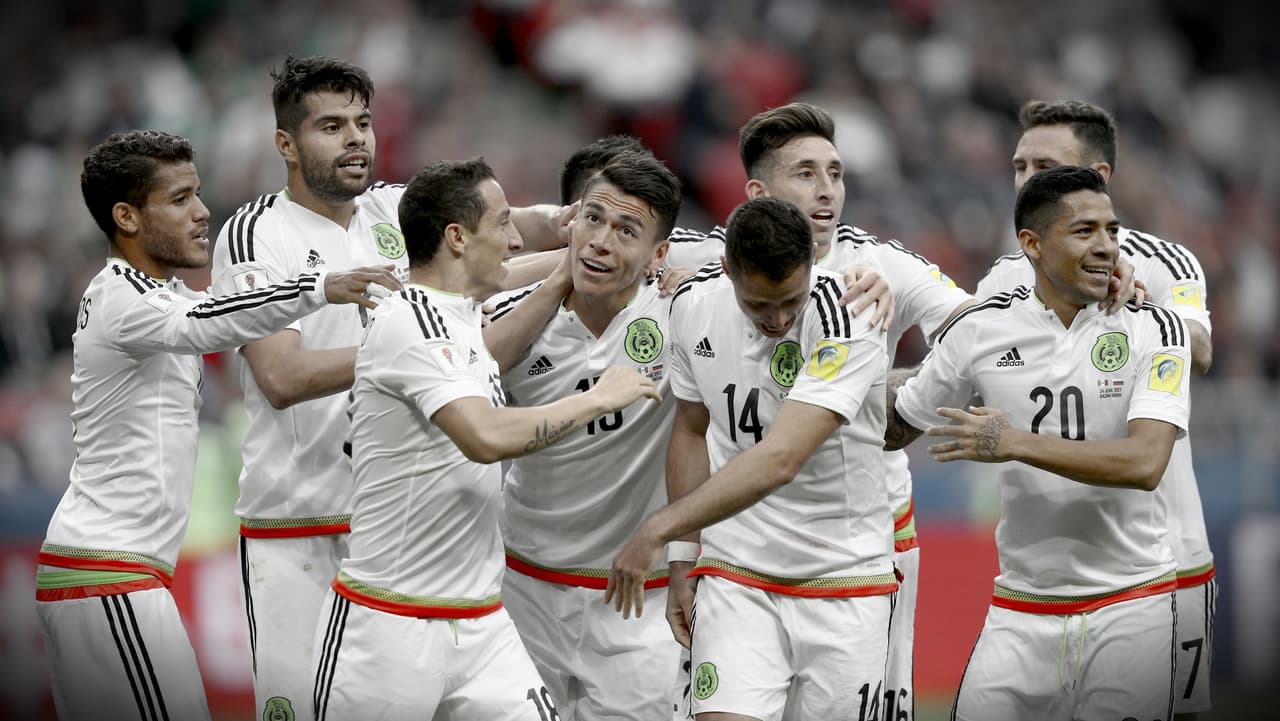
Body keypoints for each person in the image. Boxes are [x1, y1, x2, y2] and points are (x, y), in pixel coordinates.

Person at [37, 130, 398, 721]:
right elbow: (207, 322)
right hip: (107, 575)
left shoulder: (153, 294)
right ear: (127, 217)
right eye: (180, 199)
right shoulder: (123, 299)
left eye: (198, 194)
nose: (203, 212)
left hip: (113, 574)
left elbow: (200, 315)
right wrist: (319, 286)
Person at [661, 102, 982, 720]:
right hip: (740, 548)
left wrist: (909, 403)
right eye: (805, 174)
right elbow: (608, 254)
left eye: (835, 173)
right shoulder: (712, 264)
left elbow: (980, 329)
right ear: (758, 194)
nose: (827, 189)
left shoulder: (879, 267)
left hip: (862, 542)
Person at [312, 158, 659, 720]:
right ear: (457, 238)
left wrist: (590, 270)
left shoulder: (461, 319)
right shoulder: (410, 322)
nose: (516, 240)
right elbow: (484, 437)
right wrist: (597, 398)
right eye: (502, 224)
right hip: (389, 624)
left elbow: (532, 294)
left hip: (481, 622)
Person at [889, 165, 1187, 721]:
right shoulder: (980, 330)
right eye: (1084, 231)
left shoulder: (1154, 327)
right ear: (1032, 243)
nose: (1107, 246)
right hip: (1020, 610)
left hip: (1132, 605)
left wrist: (1014, 442)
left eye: (1111, 230)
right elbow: (899, 422)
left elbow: (1146, 462)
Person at [607, 196, 896, 720]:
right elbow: (691, 429)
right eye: (759, 304)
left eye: (791, 300)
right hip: (735, 571)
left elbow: (782, 457)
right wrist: (682, 557)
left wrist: (657, 529)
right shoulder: (693, 305)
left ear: (812, 265)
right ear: (727, 271)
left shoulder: (851, 314)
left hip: (844, 575)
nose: (778, 318)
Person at [976, 99, 1216, 719]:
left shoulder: (1164, 263)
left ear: (1098, 177)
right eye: (1019, 166)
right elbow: (955, 367)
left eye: (1044, 166)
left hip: (1164, 554)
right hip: (1042, 575)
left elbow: (1200, 352)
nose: (1025, 180)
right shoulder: (1001, 280)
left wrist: (1141, 304)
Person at [485, 150, 683, 720]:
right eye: (593, 219)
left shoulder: (683, 314)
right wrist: (552, 282)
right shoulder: (510, 316)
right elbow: (470, 399)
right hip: (522, 587)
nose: (600, 241)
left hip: (637, 600)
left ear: (659, 254)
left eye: (626, 230)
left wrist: (863, 277)